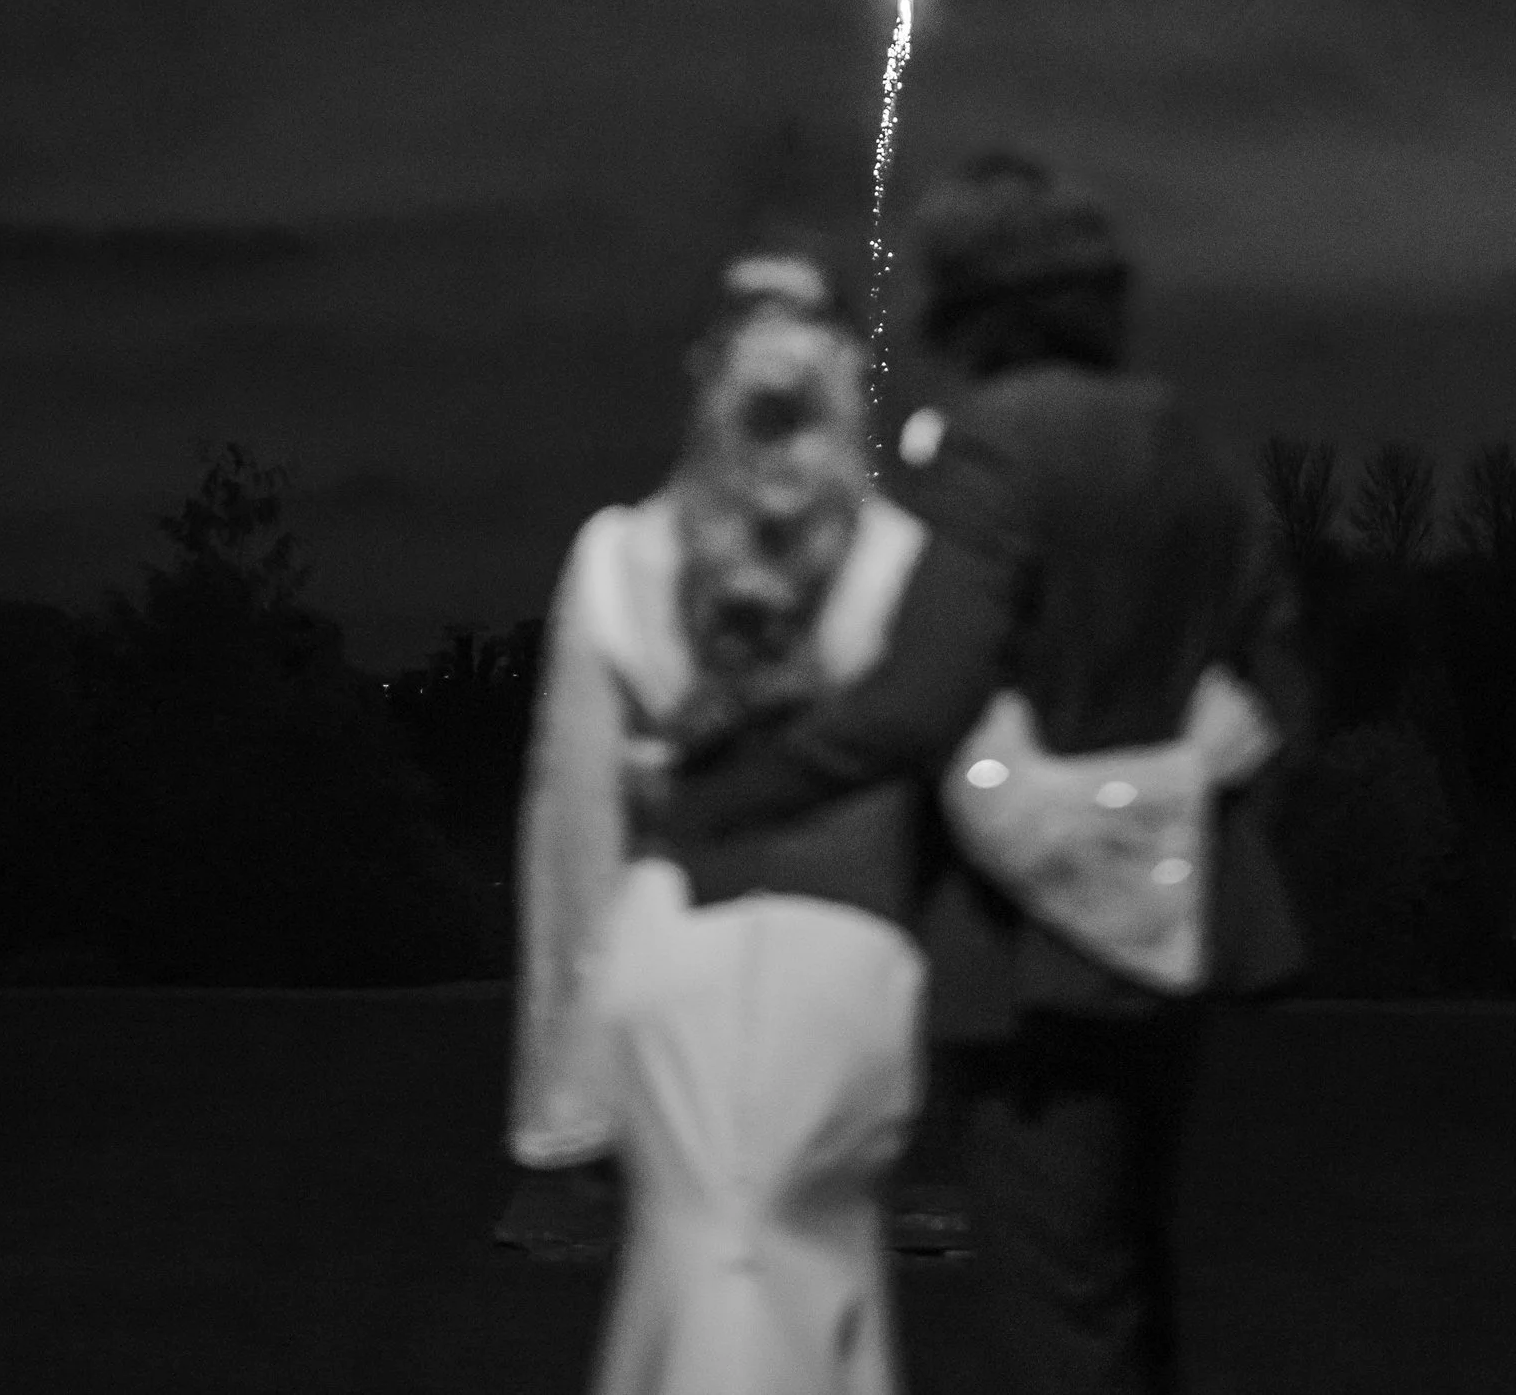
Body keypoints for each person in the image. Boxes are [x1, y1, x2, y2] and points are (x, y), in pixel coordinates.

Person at [658, 154, 1312, 1395]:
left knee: (1052, 1306)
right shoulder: (1195, 451)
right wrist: (1166, 801)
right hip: (1167, 945)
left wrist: (728, 796)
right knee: (1127, 1285)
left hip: (1031, 963)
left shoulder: (1001, 449)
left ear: (974, 308)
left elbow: (917, 703)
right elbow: (1283, 696)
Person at [508, 251, 930, 1395]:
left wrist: (568, 1097)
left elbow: (574, 833)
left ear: (707, 370)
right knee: (808, 1273)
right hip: (849, 979)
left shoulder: (613, 559)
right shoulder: (905, 569)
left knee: (697, 1274)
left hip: (671, 965)